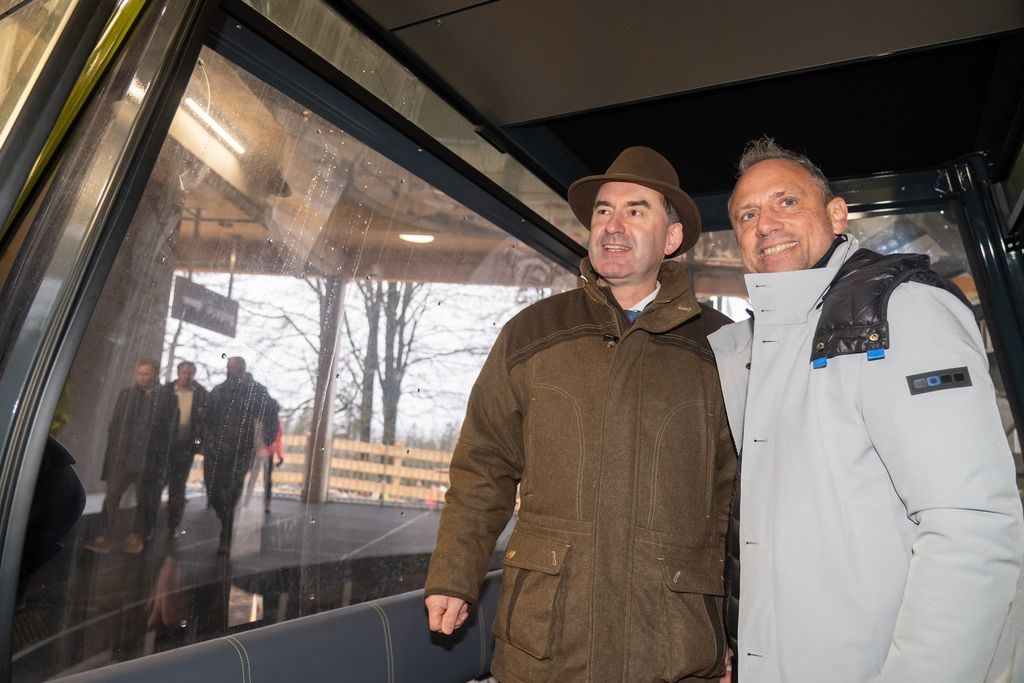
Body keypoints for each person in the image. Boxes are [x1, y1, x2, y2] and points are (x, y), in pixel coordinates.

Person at [709, 136, 1024, 682]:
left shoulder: (902, 307)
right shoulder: (756, 350)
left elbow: (971, 527)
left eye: (787, 202)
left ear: (836, 215)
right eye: (747, 214)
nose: (766, 225)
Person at [424, 146, 737, 681]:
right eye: (602, 212)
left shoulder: (724, 348)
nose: (613, 226)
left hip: (675, 647)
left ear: (672, 237)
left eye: (636, 211)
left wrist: (737, 632)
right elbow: (483, 466)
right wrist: (454, 575)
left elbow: (742, 503)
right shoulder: (531, 334)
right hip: (545, 646)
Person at [84, 360, 169, 554]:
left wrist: (158, 459)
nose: (141, 377)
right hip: (123, 457)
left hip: (147, 459)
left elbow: (166, 434)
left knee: (143, 500)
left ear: (155, 375)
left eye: (145, 373)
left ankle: (136, 536)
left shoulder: (165, 398)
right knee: (112, 497)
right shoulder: (127, 395)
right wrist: (116, 452)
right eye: (138, 373)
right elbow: (115, 426)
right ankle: (106, 536)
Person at [202, 356, 278, 555]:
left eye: (235, 367)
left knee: (233, 489)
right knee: (213, 490)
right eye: (230, 367)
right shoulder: (219, 391)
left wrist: (263, 442)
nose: (232, 370)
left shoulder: (257, 392)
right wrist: (208, 442)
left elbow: (272, 414)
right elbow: (206, 419)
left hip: (242, 450)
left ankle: (225, 535)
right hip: (217, 449)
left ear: (243, 368)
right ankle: (225, 521)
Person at [154, 360, 207, 540]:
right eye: (183, 372)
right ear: (178, 373)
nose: (186, 375)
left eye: (190, 373)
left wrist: (197, 444)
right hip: (164, 446)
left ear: (194, 374)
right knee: (157, 484)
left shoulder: (200, 394)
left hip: (185, 447)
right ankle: (152, 525)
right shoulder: (166, 391)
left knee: (178, 488)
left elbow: (204, 422)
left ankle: (173, 525)